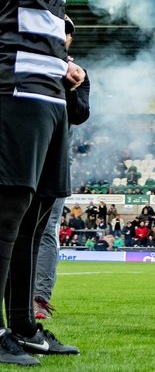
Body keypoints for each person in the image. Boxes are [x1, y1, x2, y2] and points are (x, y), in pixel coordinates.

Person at [0, 0, 103, 362]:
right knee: (7, 215)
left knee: (37, 216)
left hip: (49, 99)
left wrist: (66, 68)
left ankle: (23, 326)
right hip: (14, 93)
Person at [33, 16, 89, 322]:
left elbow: (80, 115)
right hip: (22, 154)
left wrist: (70, 87)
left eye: (67, 33)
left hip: (54, 159)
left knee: (47, 231)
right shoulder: (30, 66)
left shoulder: (79, 74)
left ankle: (39, 300)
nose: (63, 37)